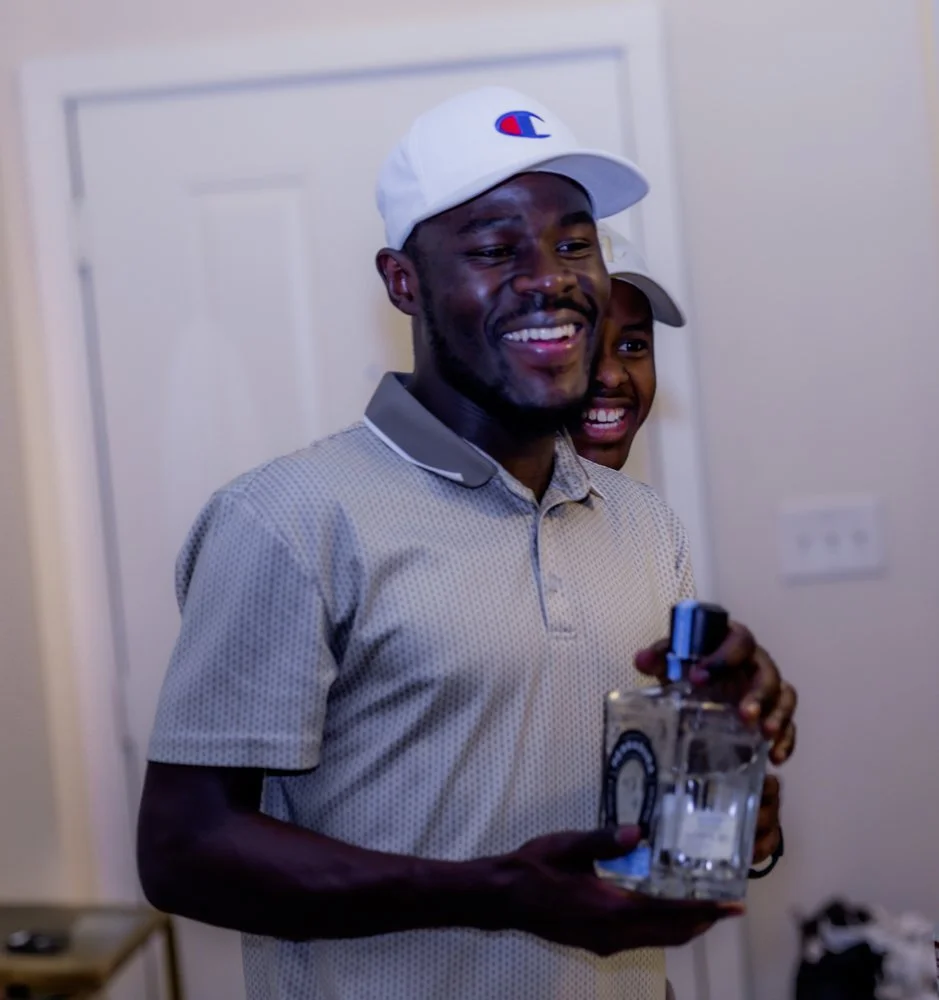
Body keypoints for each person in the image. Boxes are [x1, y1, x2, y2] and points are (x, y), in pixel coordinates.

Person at [137, 86, 797, 1000]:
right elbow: (184, 852)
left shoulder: (645, 523)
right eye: (493, 249)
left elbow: (637, 815)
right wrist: (495, 894)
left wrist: (733, 808)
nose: (550, 277)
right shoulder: (287, 519)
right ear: (403, 282)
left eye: (575, 244)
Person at [570, 224, 784, 868]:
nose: (613, 374)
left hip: (624, 933)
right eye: (583, 342)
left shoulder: (651, 526)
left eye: (633, 345)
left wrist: (735, 816)